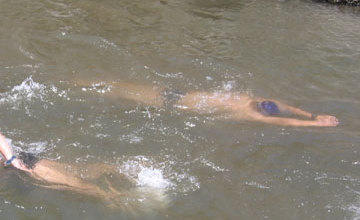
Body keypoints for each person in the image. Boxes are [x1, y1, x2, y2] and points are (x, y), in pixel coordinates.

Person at [76, 81, 339, 127]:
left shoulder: (252, 108)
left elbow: (287, 119)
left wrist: (315, 121)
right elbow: (286, 114)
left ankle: (80, 86)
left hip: (174, 100)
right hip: (174, 99)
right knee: (119, 91)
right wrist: (313, 117)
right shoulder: (254, 106)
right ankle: (81, 86)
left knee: (118, 92)